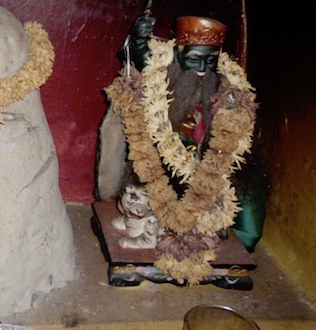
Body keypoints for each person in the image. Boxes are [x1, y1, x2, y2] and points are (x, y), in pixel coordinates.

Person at [96, 14, 268, 253]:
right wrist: (138, 38)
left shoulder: (228, 87)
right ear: (178, 56)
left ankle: (213, 234)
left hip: (216, 170)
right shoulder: (161, 75)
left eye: (210, 61)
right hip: (166, 172)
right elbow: (140, 55)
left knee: (247, 177)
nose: (201, 70)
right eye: (194, 59)